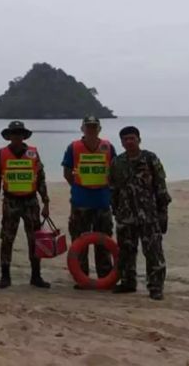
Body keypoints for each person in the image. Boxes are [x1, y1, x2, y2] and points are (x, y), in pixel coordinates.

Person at [110, 126, 171, 300]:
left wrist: (163, 212)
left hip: (148, 215)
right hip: (125, 215)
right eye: (125, 139)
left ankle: (156, 287)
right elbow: (113, 188)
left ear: (139, 140)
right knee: (126, 251)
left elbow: (160, 186)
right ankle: (128, 282)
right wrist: (115, 210)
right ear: (121, 142)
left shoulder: (150, 159)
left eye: (132, 138)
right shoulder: (117, 162)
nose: (129, 142)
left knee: (153, 252)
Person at [0, 121, 51, 289]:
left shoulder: (33, 153)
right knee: (7, 239)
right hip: (10, 201)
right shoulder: (2, 154)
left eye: (19, 133)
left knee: (34, 239)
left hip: (30, 201)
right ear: (8, 136)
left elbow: (40, 179)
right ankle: (5, 276)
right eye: (13, 133)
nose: (16, 136)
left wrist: (46, 202)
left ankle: (36, 276)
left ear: (24, 136)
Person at [61, 115, 118, 287]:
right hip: (80, 203)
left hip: (102, 203)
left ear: (99, 129)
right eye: (88, 126)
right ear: (82, 129)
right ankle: (82, 277)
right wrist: (79, 187)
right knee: (80, 242)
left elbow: (115, 172)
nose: (91, 129)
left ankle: (105, 276)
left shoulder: (108, 147)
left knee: (104, 242)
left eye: (94, 127)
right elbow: (67, 172)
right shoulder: (73, 147)